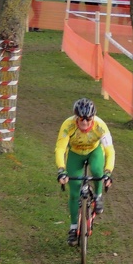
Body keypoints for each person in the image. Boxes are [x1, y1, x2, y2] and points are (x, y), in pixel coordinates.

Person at [55, 98, 115, 245]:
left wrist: (108, 173)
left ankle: (98, 196)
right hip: (75, 153)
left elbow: (109, 151)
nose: (85, 123)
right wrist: (61, 170)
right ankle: (73, 227)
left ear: (93, 117)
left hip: (94, 151)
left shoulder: (100, 126)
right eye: (81, 119)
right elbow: (60, 148)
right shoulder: (68, 125)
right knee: (75, 192)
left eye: (88, 119)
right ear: (76, 117)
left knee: (96, 170)